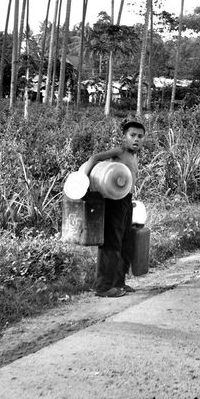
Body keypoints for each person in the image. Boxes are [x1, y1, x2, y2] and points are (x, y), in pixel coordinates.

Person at [81, 120, 146, 297]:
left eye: (140, 136)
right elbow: (94, 158)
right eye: (132, 135)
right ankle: (103, 286)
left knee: (126, 241)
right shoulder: (119, 151)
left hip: (126, 200)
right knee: (111, 242)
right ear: (124, 137)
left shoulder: (133, 156)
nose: (136, 139)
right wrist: (82, 181)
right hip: (113, 201)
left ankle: (119, 282)